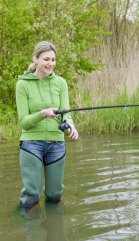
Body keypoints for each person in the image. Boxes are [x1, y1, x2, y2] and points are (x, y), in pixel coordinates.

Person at [16, 41, 78, 209]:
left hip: (57, 144)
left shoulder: (60, 83)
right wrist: (43, 113)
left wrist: (70, 124)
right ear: (35, 59)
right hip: (31, 144)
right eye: (46, 59)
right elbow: (24, 122)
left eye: (53, 59)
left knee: (54, 196)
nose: (50, 63)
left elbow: (66, 113)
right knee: (31, 197)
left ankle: (54, 230)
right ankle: (24, 228)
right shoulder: (22, 84)